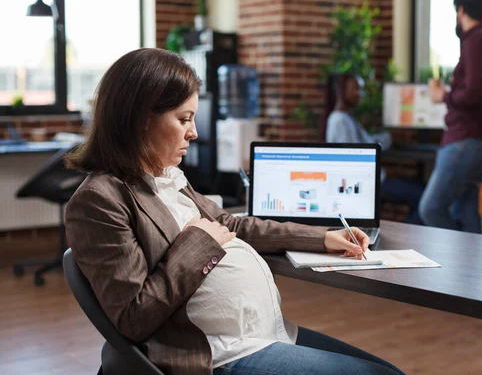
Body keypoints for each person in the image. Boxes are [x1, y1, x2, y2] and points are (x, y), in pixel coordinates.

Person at [63, 48, 405, 375]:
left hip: (262, 334)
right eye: (183, 119)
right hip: (214, 355)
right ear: (140, 120)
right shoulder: (99, 201)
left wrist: (324, 237)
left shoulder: (165, 177)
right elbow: (133, 317)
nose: (193, 133)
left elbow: (230, 224)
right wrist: (198, 243)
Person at [421, 0, 482, 234]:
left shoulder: (475, 39)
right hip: (480, 135)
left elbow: (475, 92)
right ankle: (470, 268)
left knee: (431, 208)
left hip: (466, 137)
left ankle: (459, 260)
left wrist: (442, 95)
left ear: (461, 10)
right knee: (464, 209)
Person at [322, 72, 424, 225]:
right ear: (342, 91)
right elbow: (358, 155)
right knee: (422, 197)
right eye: (356, 89)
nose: (360, 94)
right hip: (367, 184)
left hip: (372, 180)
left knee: (418, 188)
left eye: (361, 89)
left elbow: (367, 143)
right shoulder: (339, 121)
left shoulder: (345, 118)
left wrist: (390, 137)